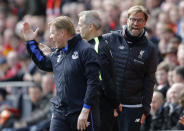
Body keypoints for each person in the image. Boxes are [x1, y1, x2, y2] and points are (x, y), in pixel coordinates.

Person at [22, 16, 101, 131]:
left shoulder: (86, 50)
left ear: (62, 33)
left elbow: (93, 82)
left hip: (81, 112)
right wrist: (30, 42)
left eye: (53, 33)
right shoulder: (58, 53)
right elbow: (42, 62)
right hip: (60, 112)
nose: (50, 37)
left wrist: (85, 110)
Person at [102, 5, 158, 131]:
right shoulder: (111, 38)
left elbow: (149, 81)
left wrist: (145, 109)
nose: (135, 23)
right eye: (133, 19)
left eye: (139, 20)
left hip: (132, 107)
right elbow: (89, 45)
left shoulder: (150, 48)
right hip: (109, 104)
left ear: (145, 22)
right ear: (127, 20)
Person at [77, 10, 119, 131]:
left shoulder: (96, 47)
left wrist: (115, 102)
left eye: (80, 25)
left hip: (100, 105)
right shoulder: (95, 44)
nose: (78, 28)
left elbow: (103, 79)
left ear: (90, 27)